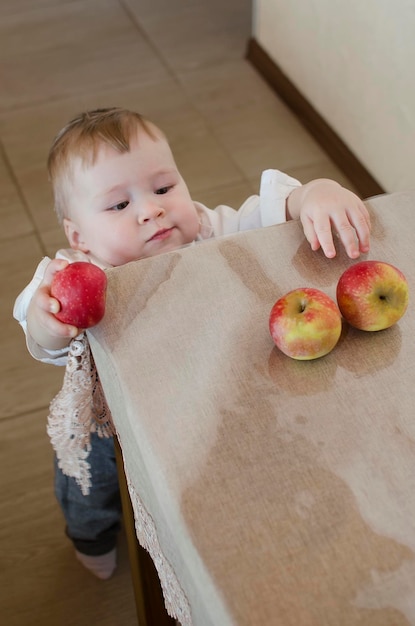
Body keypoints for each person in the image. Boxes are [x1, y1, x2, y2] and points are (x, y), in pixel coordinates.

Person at [13, 107, 371, 580]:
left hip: (199, 397)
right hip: (115, 418)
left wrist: (312, 194)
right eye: (119, 206)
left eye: (163, 188)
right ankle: (91, 537)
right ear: (79, 236)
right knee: (92, 485)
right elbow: (40, 331)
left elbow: (266, 211)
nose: (151, 209)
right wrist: (47, 320)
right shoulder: (77, 273)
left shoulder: (207, 230)